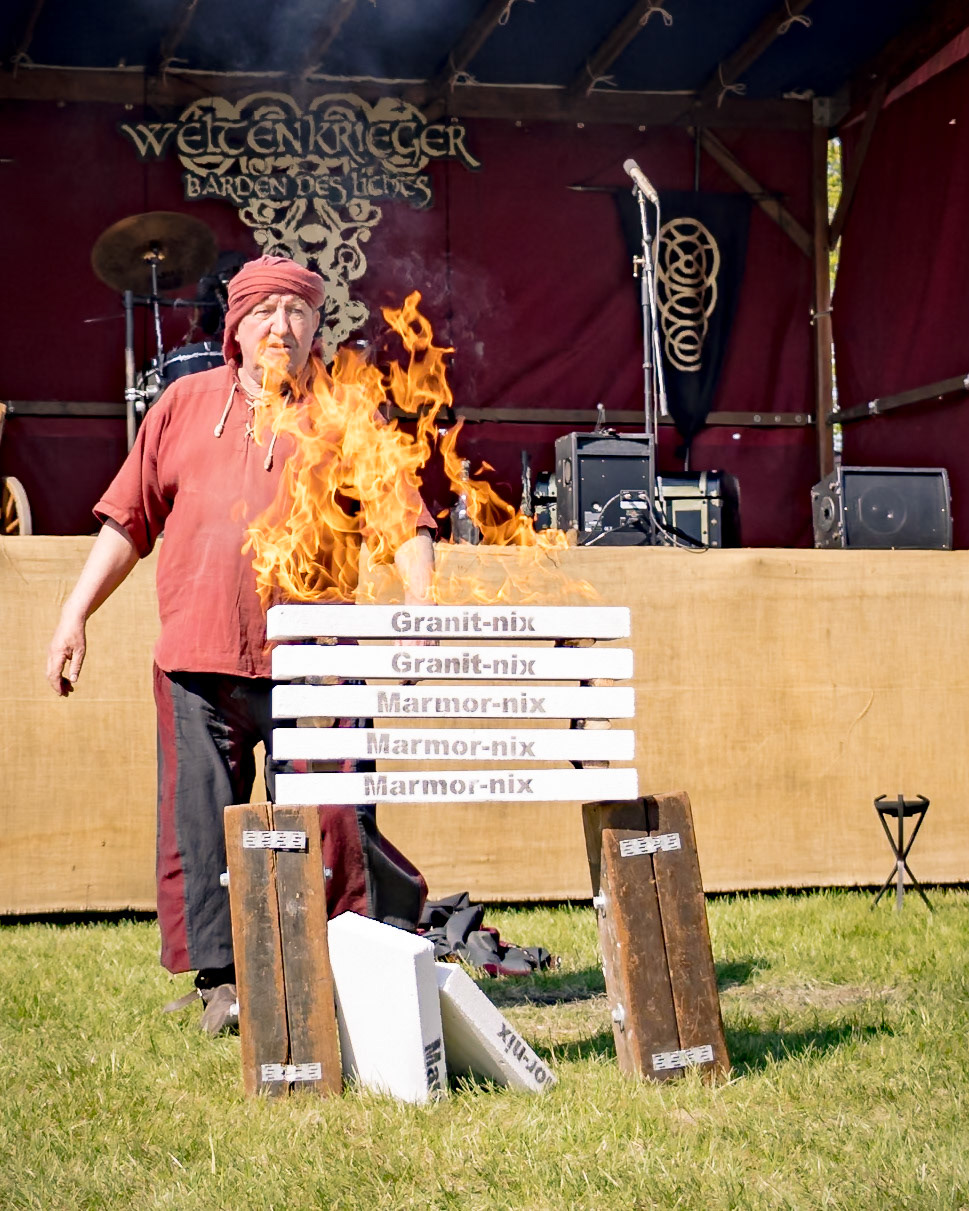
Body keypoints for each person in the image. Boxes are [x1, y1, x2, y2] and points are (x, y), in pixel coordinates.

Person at [46, 255, 435, 1031]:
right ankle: (221, 985)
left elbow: (404, 518)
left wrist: (419, 609)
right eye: (264, 312)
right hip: (198, 656)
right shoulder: (185, 403)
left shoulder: (347, 413)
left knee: (333, 823)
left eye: (296, 312)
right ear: (236, 326)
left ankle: (342, 970)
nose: (280, 327)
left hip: (318, 660)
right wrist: (74, 612)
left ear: (316, 328)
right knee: (201, 824)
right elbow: (129, 518)